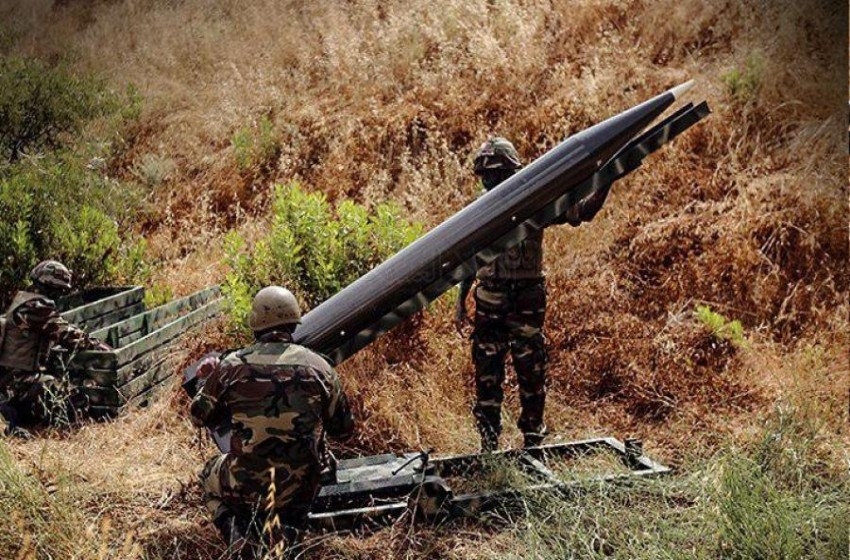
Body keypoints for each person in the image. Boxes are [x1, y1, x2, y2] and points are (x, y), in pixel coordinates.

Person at [455, 137, 609, 452]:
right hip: (490, 300)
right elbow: (469, 258)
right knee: (487, 374)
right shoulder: (477, 209)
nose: (490, 180)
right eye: (486, 174)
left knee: (531, 372)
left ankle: (533, 441)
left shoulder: (537, 202)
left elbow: (584, 212)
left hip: (526, 300)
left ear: (512, 172)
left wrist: (607, 177)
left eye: (497, 173)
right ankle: (488, 443)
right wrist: (461, 301)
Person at [190, 285, 354, 556]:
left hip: (247, 484)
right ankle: (291, 531)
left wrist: (207, 380)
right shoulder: (321, 367)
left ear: (256, 325)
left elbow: (198, 416)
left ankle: (235, 534)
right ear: (293, 323)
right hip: (302, 488)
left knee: (207, 475)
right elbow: (344, 430)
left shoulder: (230, 366)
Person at [0, 260, 110, 439]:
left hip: (15, 378)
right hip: (20, 381)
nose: (59, 295)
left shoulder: (24, 298)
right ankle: (12, 411)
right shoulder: (35, 307)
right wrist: (97, 345)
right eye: (59, 290)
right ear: (50, 287)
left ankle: (18, 410)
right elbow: (65, 333)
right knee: (77, 402)